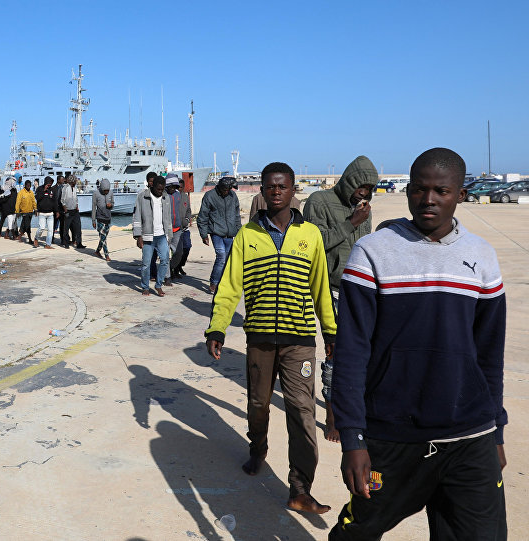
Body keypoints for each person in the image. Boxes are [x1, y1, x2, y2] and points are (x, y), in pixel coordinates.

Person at [329, 148, 507, 539]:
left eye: (441, 191)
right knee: (356, 533)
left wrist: (495, 432)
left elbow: (489, 357)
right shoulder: (372, 252)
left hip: (470, 437)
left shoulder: (482, 256)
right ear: (408, 191)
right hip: (392, 438)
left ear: (460, 194)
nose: (429, 199)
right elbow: (351, 353)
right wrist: (352, 438)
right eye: (419, 189)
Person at [204, 161, 335, 514]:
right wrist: (217, 327)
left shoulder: (311, 235)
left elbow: (321, 287)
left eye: (283, 186)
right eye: (270, 186)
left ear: (293, 190)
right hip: (260, 338)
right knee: (258, 405)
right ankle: (257, 448)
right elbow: (229, 286)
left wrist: (331, 331)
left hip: (299, 340)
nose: (276, 191)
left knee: (302, 411)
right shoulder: (247, 236)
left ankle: (300, 488)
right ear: (262, 191)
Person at [302, 156, 377, 443]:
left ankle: (355, 405)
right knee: (335, 352)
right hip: (330, 288)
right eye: (361, 186)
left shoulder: (364, 209)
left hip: (361, 289)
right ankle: (332, 415)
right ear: (349, 181)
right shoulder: (319, 201)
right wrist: (351, 222)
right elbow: (313, 244)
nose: (364, 193)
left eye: (369, 189)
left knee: (362, 353)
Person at [196, 176, 242, 293]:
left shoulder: (233, 196)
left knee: (226, 259)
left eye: (229, 189)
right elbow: (202, 216)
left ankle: (222, 281)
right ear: (221, 187)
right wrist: (204, 235)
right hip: (216, 232)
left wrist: (239, 231)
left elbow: (237, 215)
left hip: (230, 233)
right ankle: (214, 282)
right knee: (221, 256)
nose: (227, 192)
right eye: (226, 190)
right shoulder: (210, 196)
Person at [132, 175, 173, 296]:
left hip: (162, 235)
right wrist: (138, 236)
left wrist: (169, 235)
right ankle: (145, 287)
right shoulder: (142, 197)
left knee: (165, 260)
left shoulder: (166, 197)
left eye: (162, 189)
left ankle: (158, 285)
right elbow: (136, 217)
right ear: (152, 186)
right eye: (158, 189)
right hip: (147, 236)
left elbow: (168, 217)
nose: (160, 191)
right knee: (146, 264)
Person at [164, 173, 191, 278]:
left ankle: (172, 268)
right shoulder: (163, 195)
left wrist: (186, 220)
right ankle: (167, 276)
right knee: (165, 255)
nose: (173, 189)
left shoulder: (178, 195)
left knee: (179, 252)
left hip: (178, 228)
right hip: (166, 230)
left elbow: (187, 210)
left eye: (175, 187)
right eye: (171, 186)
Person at [91, 178, 114, 260]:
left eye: (107, 190)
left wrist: (111, 205)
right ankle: (107, 255)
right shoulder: (95, 194)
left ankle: (97, 251)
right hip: (100, 218)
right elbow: (93, 207)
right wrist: (93, 220)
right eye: (105, 191)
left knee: (103, 238)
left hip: (108, 218)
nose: (106, 192)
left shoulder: (111, 193)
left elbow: (113, 204)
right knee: (103, 237)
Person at [35, 176, 59, 249]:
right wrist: (44, 190)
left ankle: (48, 244)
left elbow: (55, 202)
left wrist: (57, 211)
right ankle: (36, 238)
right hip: (42, 213)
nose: (50, 185)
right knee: (41, 228)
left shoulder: (52, 190)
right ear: (46, 182)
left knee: (50, 230)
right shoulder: (39, 189)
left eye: (51, 184)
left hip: (50, 213)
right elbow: (37, 198)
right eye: (49, 184)